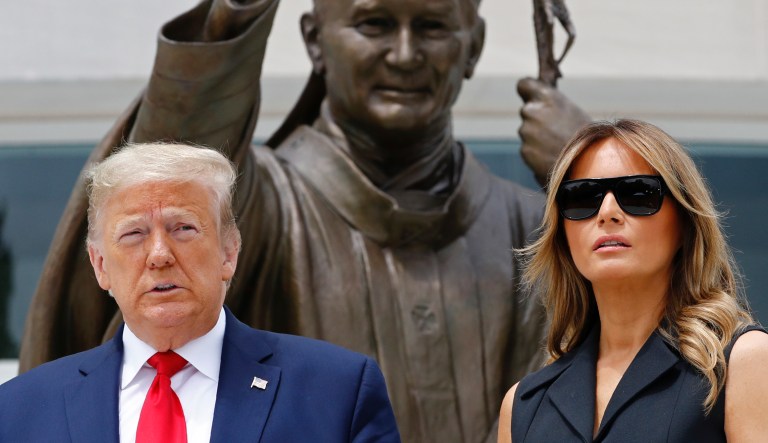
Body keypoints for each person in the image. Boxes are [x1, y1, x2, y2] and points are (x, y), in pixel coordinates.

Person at [21, 1, 589, 441]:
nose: (405, 54)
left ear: (474, 45)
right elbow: (172, 157)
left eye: (433, 26)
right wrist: (234, 15)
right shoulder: (261, 199)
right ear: (315, 40)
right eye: (374, 24)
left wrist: (587, 179)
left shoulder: (536, 229)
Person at [1, 142, 400, 442]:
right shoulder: (19, 410)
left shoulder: (337, 391)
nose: (159, 254)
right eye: (134, 233)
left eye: (183, 228)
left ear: (229, 252)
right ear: (100, 265)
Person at [497, 119, 768, 442]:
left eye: (638, 193)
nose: (607, 212)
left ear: (684, 222)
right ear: (563, 233)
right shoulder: (524, 406)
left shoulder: (743, 363)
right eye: (582, 198)